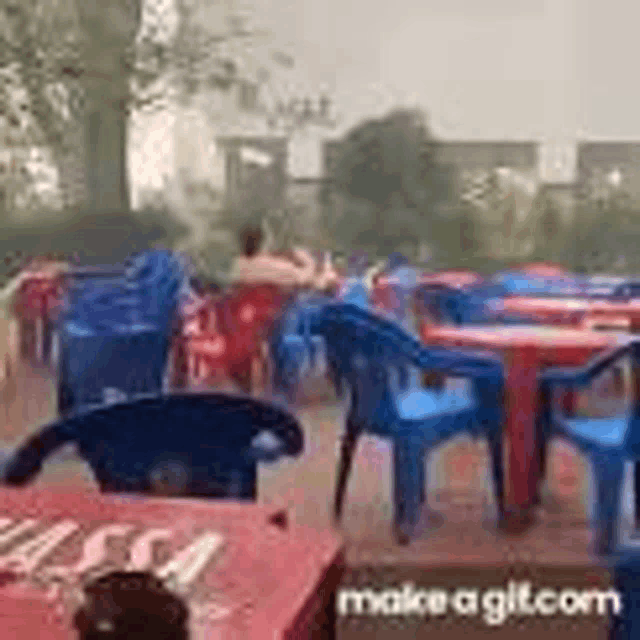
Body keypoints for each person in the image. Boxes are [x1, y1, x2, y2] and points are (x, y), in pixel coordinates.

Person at [229, 224, 329, 290]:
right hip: (277, 313)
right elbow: (303, 279)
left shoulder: (237, 265)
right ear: (263, 242)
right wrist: (307, 260)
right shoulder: (273, 265)